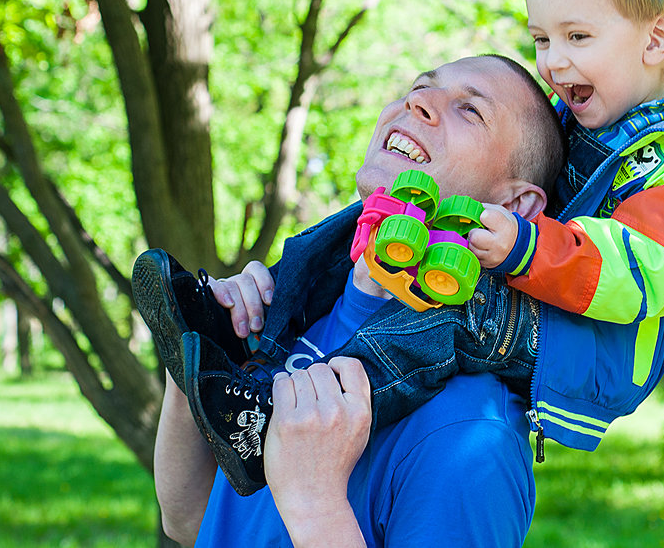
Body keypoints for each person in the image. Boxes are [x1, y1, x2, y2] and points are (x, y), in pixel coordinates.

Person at [138, 0, 664, 500]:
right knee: (379, 216)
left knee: (452, 308)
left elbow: (638, 271)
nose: (552, 61)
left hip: (586, 344)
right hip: (539, 286)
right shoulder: (600, 114)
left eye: (577, 36)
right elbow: (188, 517)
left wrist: (526, 247)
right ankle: (244, 343)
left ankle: (293, 421)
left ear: (658, 38)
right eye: (542, 38)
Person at [151, 54, 561, 546]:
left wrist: (316, 505)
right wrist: (198, 351)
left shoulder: (470, 437)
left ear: (516, 208)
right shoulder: (294, 312)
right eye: (419, 86)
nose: (419, 101)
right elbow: (191, 521)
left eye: (470, 110)